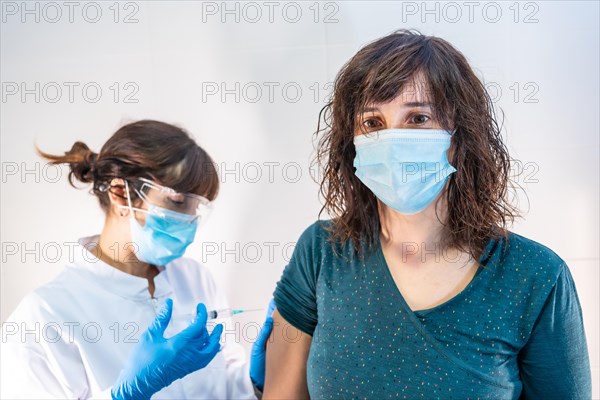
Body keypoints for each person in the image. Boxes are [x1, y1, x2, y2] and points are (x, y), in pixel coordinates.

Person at [263, 30, 592, 399]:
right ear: (351, 143)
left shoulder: (534, 276)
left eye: (417, 118)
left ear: (459, 136)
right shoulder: (322, 252)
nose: (392, 141)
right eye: (372, 123)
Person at [0, 120, 273, 399]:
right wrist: (124, 395)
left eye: (197, 206)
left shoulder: (195, 279)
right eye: (179, 202)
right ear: (120, 193)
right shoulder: (45, 316)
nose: (190, 220)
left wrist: (254, 383)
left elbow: (224, 388)